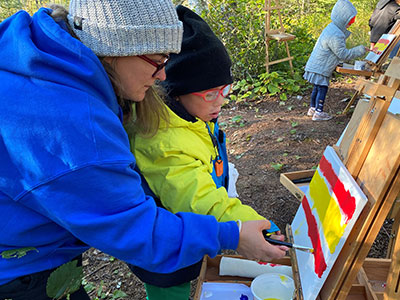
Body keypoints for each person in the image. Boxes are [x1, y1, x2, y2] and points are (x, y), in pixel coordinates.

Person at [0, 1, 288, 299]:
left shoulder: (38, 54)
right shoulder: (75, 128)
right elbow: (136, 231)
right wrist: (232, 234)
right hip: (17, 271)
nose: (164, 75)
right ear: (115, 48)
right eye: (158, 60)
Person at [128, 6, 287, 300]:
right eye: (209, 94)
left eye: (224, 90)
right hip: (166, 253)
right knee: (171, 292)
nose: (220, 102)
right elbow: (197, 198)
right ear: (175, 91)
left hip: (190, 235)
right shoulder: (162, 141)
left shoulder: (193, 116)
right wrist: (245, 222)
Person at [303, 0, 367, 121]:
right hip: (321, 67)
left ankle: (312, 108)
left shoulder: (331, 28)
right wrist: (360, 50)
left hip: (316, 64)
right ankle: (318, 112)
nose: (350, 23)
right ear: (343, 19)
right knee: (322, 87)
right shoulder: (336, 34)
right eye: (349, 21)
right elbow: (343, 54)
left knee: (316, 87)